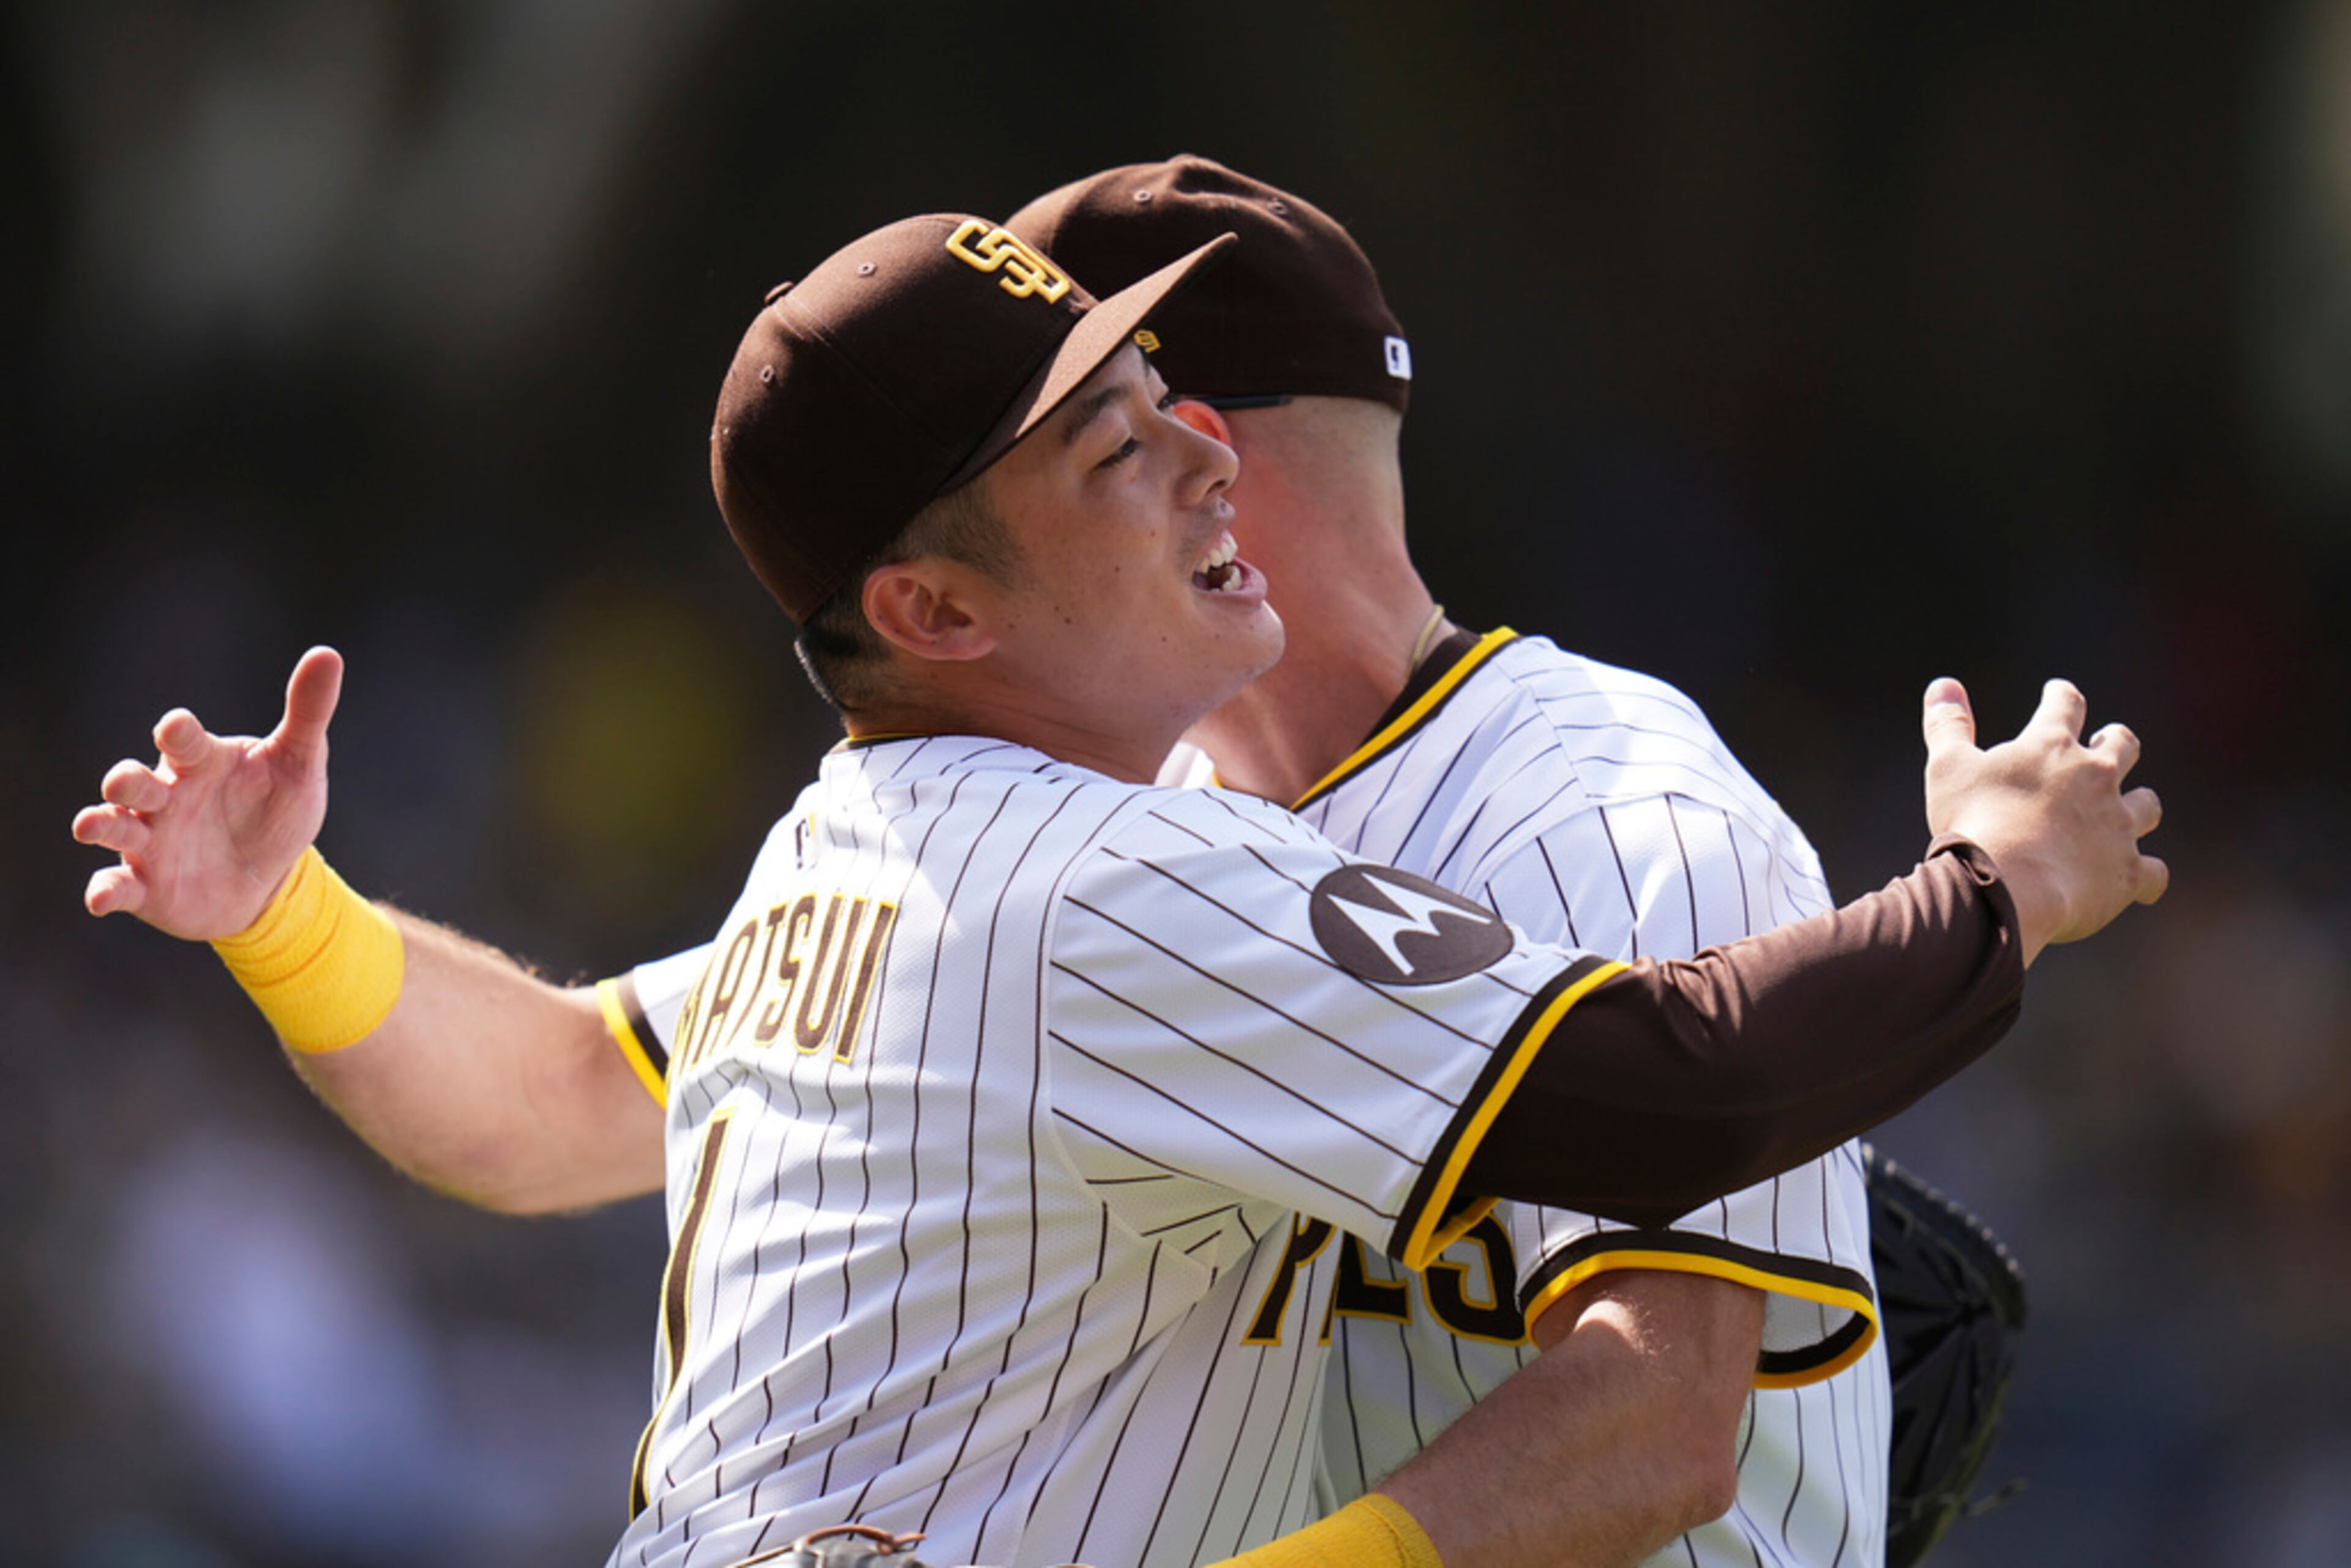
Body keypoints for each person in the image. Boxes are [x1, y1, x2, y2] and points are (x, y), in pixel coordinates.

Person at [72, 208, 2163, 1568]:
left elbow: (540, 1099)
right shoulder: (1087, 880)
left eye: (1162, 406)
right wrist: (1995, 888)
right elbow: (1684, 1086)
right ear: (930, 603)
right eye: (1108, 444)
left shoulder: (874, 839)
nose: (1185, 465)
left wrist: (289, 919)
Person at [1002, 154, 1896, 1566]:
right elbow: (595, 1080)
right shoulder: (1132, 836)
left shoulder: (1611, 818)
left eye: (1019, 456)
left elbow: (1656, 1429)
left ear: (1189, 462)